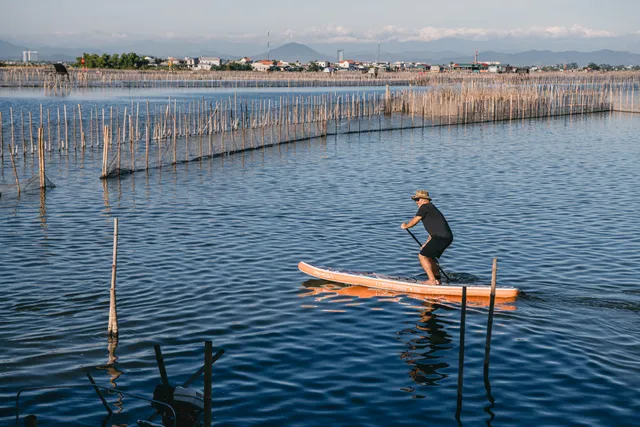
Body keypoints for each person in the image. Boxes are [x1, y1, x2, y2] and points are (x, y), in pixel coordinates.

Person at [401, 190, 453, 285]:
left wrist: (406, 226)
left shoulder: (425, 207)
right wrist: (427, 243)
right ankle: (438, 280)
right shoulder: (431, 208)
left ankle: (431, 280)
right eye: (415, 200)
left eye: (418, 199)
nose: (416, 202)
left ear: (425, 199)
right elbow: (434, 230)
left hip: (441, 237)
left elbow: (414, 222)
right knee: (429, 256)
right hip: (445, 237)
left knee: (422, 256)